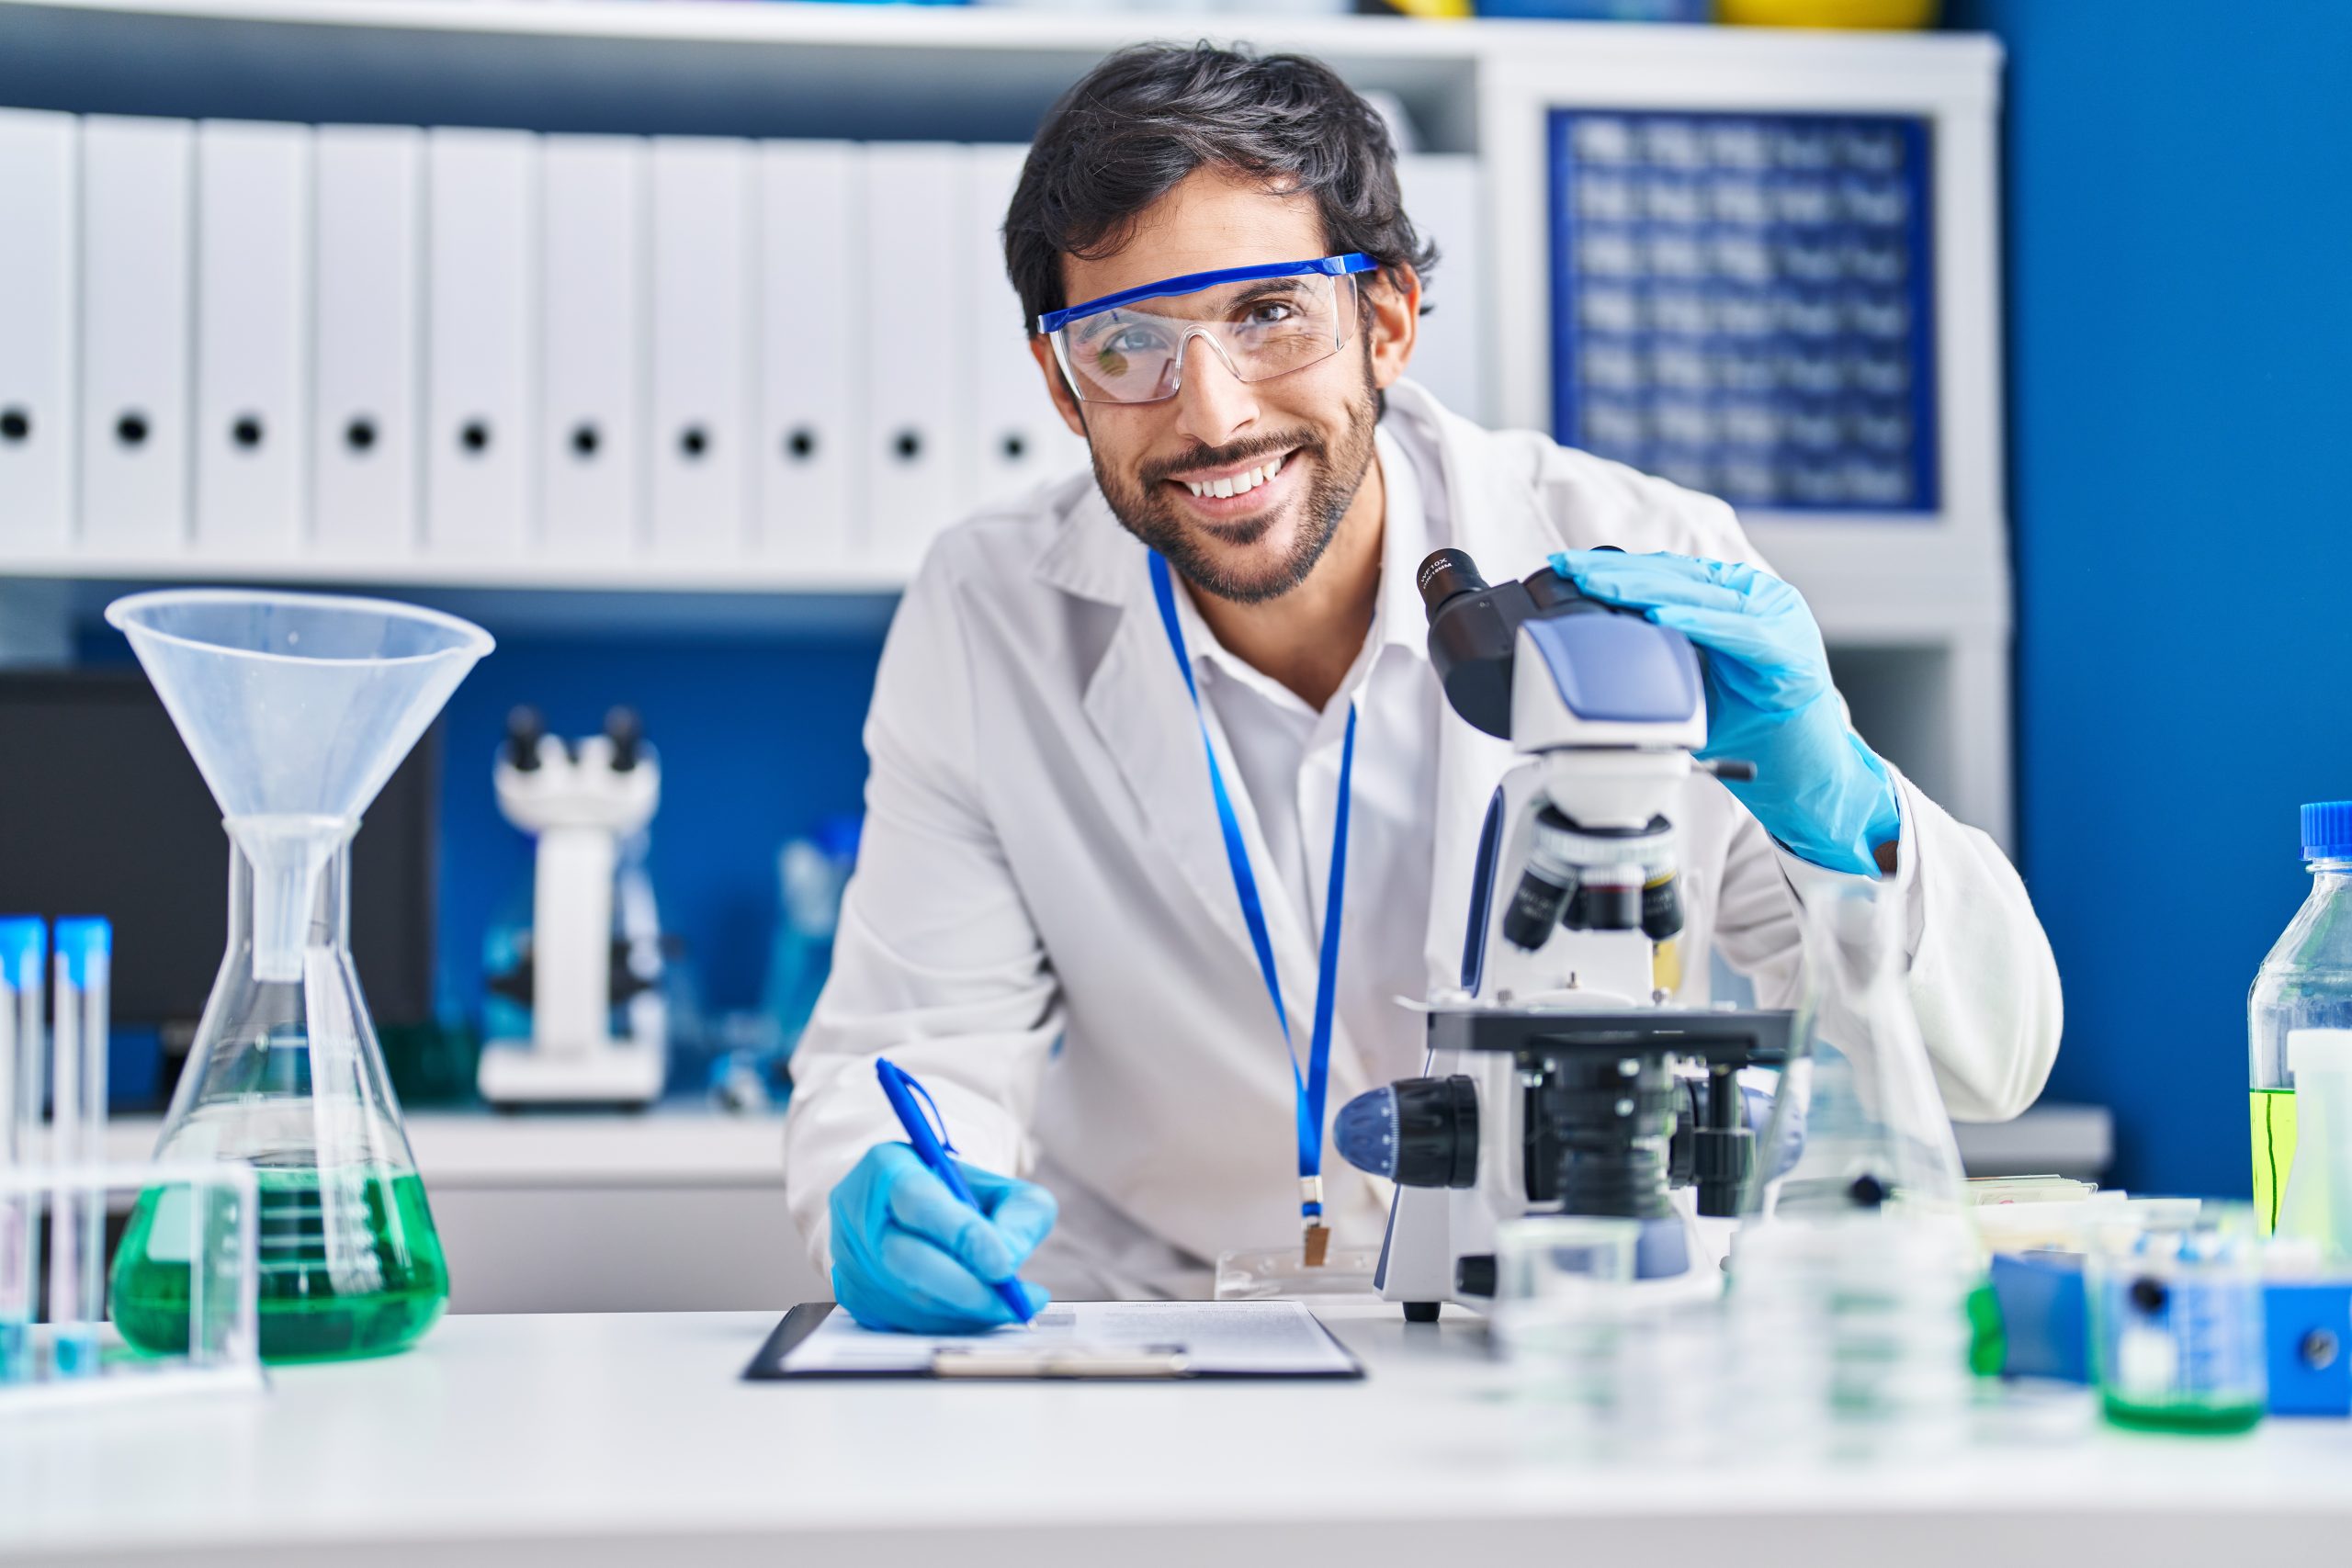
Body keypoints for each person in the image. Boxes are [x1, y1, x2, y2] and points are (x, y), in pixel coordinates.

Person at [783, 43, 2061, 1333]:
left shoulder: (1636, 560)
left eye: (1270, 312)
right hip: (1162, 1334)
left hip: (1576, 1323)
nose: (1212, 414)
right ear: (1064, 386)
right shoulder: (991, 612)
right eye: (1125, 343)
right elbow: (924, 1042)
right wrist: (896, 1186)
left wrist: (1838, 812)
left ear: (1385, 318)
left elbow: (1987, 1068)